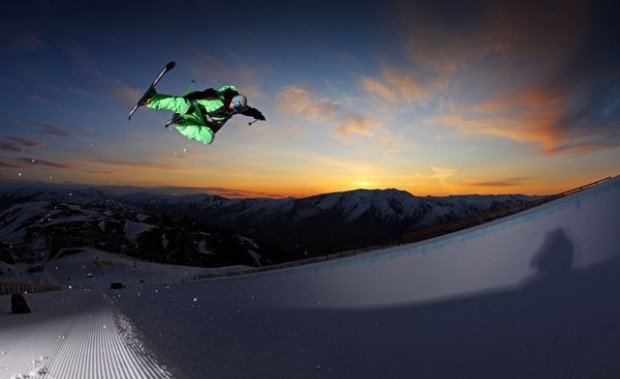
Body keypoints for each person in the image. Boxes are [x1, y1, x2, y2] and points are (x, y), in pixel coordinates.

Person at [144, 85, 265, 146]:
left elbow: (249, 111)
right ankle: (152, 100)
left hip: (202, 125)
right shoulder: (214, 99)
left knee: (209, 138)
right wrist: (189, 98)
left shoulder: (236, 109)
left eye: (238, 109)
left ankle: (181, 124)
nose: (235, 110)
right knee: (184, 104)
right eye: (235, 106)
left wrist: (258, 115)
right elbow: (196, 96)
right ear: (232, 100)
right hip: (194, 113)